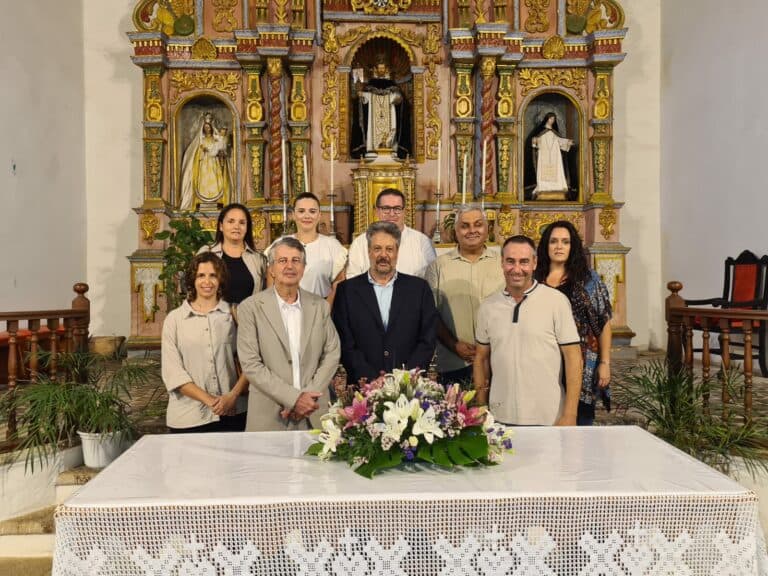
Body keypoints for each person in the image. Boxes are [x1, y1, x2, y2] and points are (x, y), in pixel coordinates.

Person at [473, 235, 583, 426]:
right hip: (500, 418)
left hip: (549, 417)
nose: (517, 269)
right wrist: (481, 408)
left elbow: (573, 358)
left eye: (524, 261)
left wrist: (570, 414)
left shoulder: (556, 301)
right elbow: (481, 359)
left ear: (534, 263)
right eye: (510, 261)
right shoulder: (488, 307)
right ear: (502, 263)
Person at [237, 237, 341, 431]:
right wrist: (293, 399)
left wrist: (307, 398)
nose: (289, 266)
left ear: (304, 267)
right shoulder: (250, 308)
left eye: (296, 260)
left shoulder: (319, 306)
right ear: (271, 269)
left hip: (313, 412)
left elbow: (332, 353)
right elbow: (251, 364)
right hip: (270, 415)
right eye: (282, 260)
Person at [332, 221, 437, 386]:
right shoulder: (347, 291)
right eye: (377, 249)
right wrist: (371, 380)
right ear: (368, 251)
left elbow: (427, 339)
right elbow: (345, 342)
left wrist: (405, 378)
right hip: (363, 388)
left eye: (389, 249)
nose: (383, 255)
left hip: (409, 387)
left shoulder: (419, 289)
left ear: (397, 252)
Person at [535, 220, 613, 426]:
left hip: (581, 360)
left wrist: (605, 363)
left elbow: (603, 322)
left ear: (573, 246)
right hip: (542, 361)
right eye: (553, 241)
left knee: (579, 423)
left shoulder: (588, 280)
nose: (559, 246)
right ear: (545, 246)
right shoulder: (534, 279)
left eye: (565, 242)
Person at [161, 252, 249, 432]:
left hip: (234, 412)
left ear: (221, 279)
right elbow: (173, 372)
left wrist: (232, 396)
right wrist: (211, 401)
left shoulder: (235, 314)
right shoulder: (174, 320)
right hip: (188, 417)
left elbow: (252, 361)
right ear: (192, 280)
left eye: (213, 275)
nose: (207, 281)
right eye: (201, 275)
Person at [425, 204, 504, 385]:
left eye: (478, 224)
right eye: (465, 226)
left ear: (487, 228)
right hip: (453, 362)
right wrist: (454, 345)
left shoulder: (503, 264)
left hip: (497, 360)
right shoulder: (438, 266)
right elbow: (430, 314)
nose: (472, 230)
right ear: (456, 231)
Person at [266, 192, 347, 306]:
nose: (307, 216)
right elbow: (271, 285)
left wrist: (324, 310)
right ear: (293, 215)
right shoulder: (280, 244)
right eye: (301, 211)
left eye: (312, 211)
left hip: (321, 308)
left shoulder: (332, 246)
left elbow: (338, 285)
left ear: (319, 215)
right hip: (284, 309)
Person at [346, 188, 436, 279]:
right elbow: (353, 281)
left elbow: (432, 279)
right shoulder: (360, 243)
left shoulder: (423, 242)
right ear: (377, 211)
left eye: (397, 208)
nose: (392, 214)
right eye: (386, 208)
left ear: (404, 211)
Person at [198, 203, 267, 306]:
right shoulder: (206, 253)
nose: (236, 226)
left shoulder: (259, 259)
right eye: (231, 221)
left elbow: (265, 297)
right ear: (221, 226)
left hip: (248, 315)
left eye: (242, 223)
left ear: (247, 228)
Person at [352, 55, 408, 159]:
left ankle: (391, 148)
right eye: (379, 68)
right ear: (376, 69)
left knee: (391, 130)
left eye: (383, 68)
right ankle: (372, 149)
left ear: (386, 69)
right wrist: (362, 95)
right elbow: (365, 100)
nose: (381, 70)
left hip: (389, 112)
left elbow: (399, 98)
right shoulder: (370, 86)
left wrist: (398, 98)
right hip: (373, 115)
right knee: (372, 131)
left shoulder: (393, 86)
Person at [179, 113, 232, 210]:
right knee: (203, 181)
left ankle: (217, 200)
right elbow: (197, 153)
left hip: (214, 162)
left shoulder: (215, 139)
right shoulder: (201, 140)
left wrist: (219, 152)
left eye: (209, 127)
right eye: (206, 127)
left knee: (216, 180)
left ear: (212, 128)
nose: (208, 129)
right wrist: (202, 151)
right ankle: (202, 201)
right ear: (203, 129)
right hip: (204, 163)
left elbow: (220, 149)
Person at [531, 111, 574, 197]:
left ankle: (557, 186)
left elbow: (560, 140)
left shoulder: (555, 132)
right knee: (543, 170)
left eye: (553, 119)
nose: (552, 120)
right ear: (547, 119)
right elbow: (535, 142)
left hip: (555, 155)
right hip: (544, 154)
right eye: (551, 118)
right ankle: (543, 187)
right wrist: (535, 142)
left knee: (557, 169)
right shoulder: (540, 131)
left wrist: (567, 142)